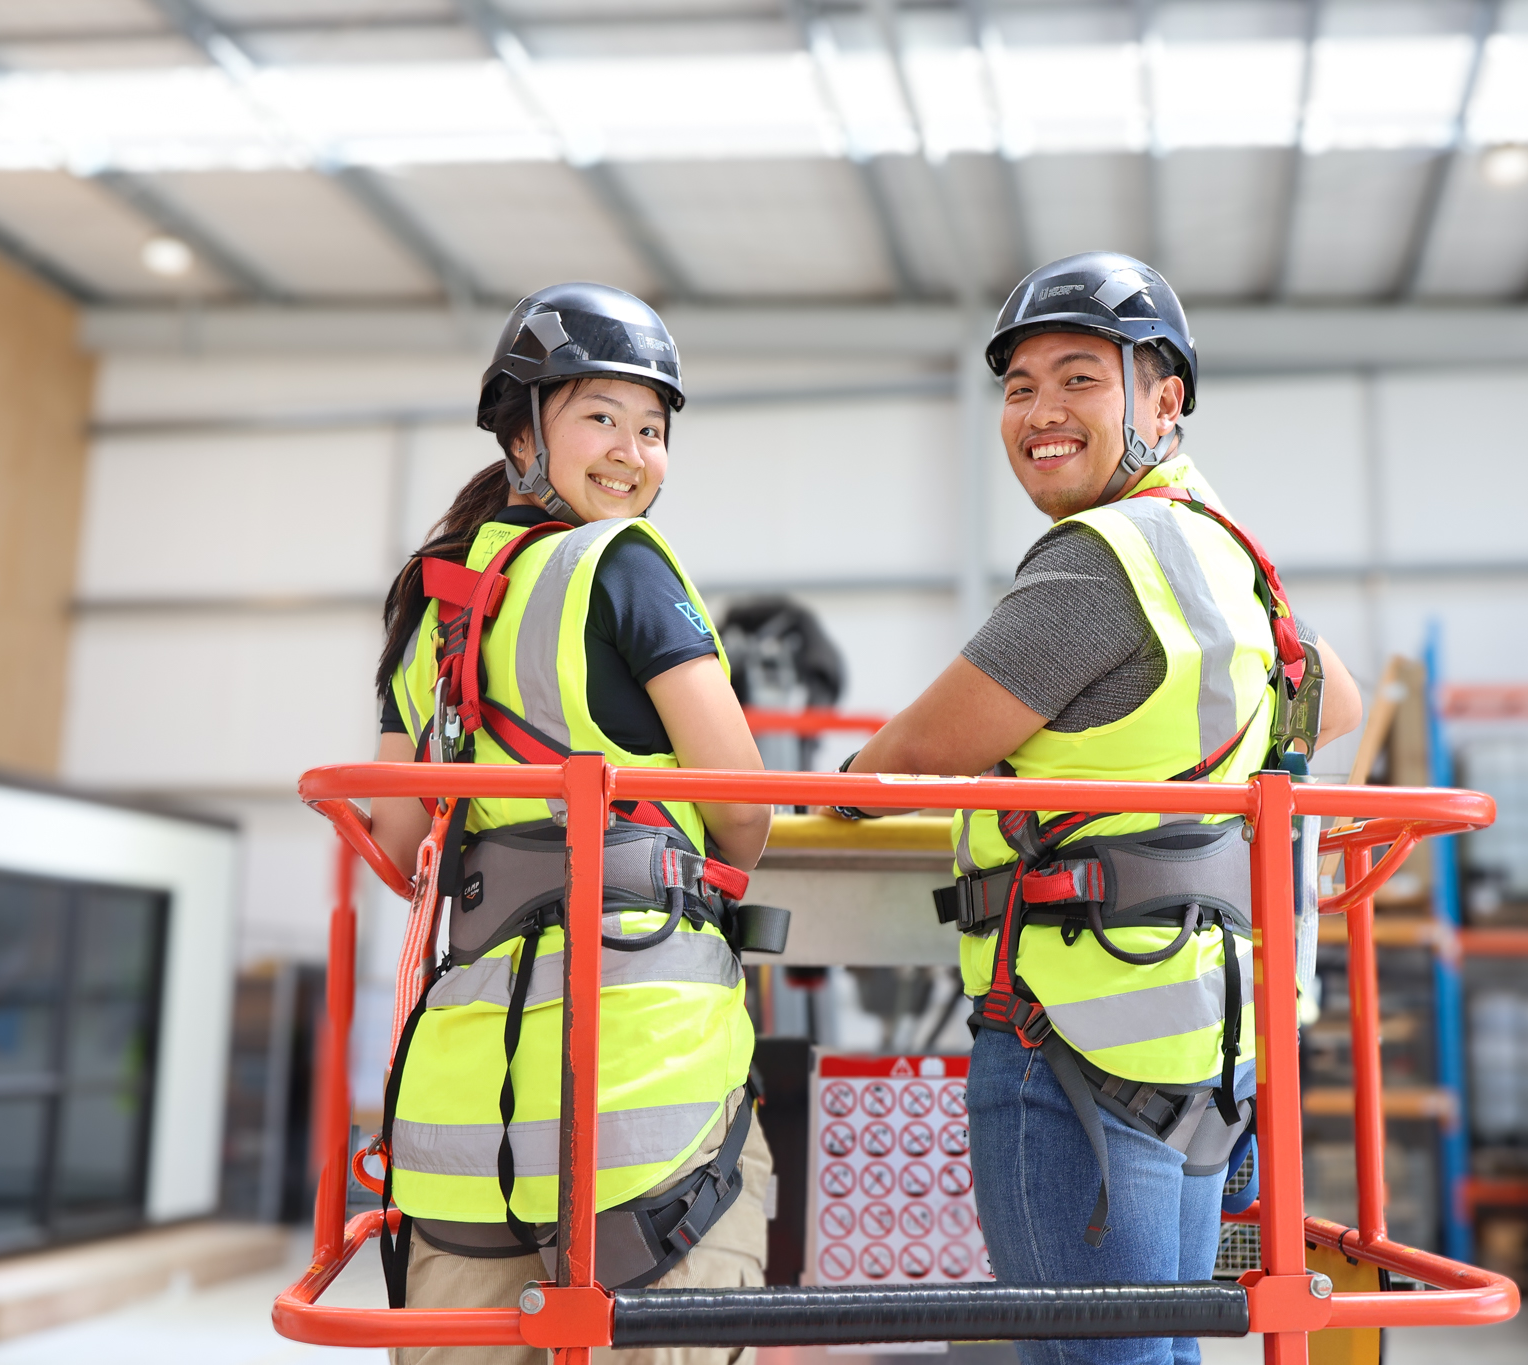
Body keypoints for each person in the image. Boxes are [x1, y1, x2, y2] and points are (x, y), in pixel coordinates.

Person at [841, 253, 1363, 1365]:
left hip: (1066, 1036)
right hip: (1199, 1049)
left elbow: (919, 754)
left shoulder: (1099, 562)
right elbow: (1337, 697)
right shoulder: (1223, 547)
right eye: (1018, 387)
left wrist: (833, 796)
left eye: (1077, 379)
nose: (1038, 413)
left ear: (1162, 397)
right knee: (1157, 1357)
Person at [369, 283, 773, 1365]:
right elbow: (742, 808)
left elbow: (394, 839)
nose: (631, 453)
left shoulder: (432, 600)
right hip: (644, 1093)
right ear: (521, 430)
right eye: (600, 417)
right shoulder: (621, 562)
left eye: (652, 428)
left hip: (464, 1121)